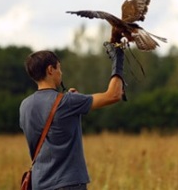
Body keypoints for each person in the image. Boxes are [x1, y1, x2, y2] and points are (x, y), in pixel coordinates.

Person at [19, 42, 125, 190]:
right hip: (68, 183)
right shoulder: (67, 102)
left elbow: (52, 128)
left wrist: (71, 102)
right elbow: (114, 95)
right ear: (50, 70)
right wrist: (118, 59)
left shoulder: (25, 105)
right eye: (59, 68)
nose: (61, 73)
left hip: (39, 184)